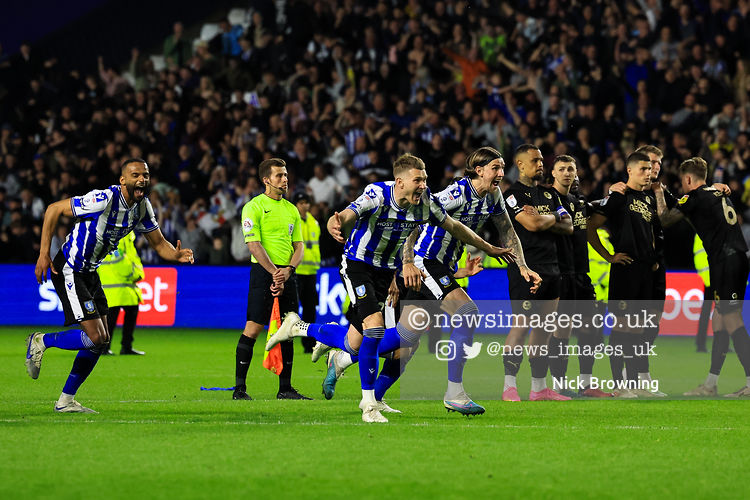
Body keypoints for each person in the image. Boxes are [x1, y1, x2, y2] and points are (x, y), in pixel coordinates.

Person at [266, 153, 514, 423]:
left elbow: (453, 226)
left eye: (425, 179)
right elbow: (350, 212)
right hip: (358, 264)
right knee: (374, 329)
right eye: (418, 180)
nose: (423, 185)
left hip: (386, 270)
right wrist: (335, 222)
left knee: (356, 343)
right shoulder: (377, 194)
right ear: (400, 182)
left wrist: (488, 248)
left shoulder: (425, 202)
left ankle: (300, 329)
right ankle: (369, 404)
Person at [26, 158, 194, 413]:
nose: (142, 179)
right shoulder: (104, 199)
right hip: (69, 268)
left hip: (90, 272)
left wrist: (177, 255)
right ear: (123, 180)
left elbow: (160, 244)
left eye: (146, 175)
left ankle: (65, 401)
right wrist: (43, 254)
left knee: (101, 342)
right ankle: (41, 341)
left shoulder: (142, 207)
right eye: (136, 175)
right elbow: (52, 209)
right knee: (96, 336)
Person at [655, 157, 750, 397]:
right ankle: (710, 384)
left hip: (726, 261)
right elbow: (687, 206)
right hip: (733, 259)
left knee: (732, 320)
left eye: (682, 181)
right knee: (719, 319)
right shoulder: (718, 193)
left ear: (688, 178)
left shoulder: (696, 197)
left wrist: (658, 192)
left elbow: (665, 219)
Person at [234, 158, 310, 401]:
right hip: (262, 274)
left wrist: (287, 270)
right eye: (279, 175)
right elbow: (253, 245)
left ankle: (285, 388)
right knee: (253, 328)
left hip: (287, 274)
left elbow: (299, 246)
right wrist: (273, 272)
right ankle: (239, 389)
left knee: (289, 329)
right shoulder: (253, 207)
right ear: (266, 180)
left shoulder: (291, 210)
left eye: (286, 175)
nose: (284, 179)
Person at [501, 144, 573, 402]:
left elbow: (569, 227)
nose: (540, 164)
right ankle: (509, 386)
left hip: (552, 268)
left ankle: (539, 388)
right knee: (520, 327)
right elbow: (531, 224)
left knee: (543, 329)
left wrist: (548, 217)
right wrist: (552, 219)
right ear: (520, 164)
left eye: (542, 160)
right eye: (535, 160)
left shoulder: (550, 195)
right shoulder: (513, 195)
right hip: (526, 269)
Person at [588, 151, 658, 398]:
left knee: (638, 329)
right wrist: (609, 256)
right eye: (642, 169)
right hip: (625, 270)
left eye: (649, 169)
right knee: (623, 327)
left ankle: (635, 383)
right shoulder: (618, 196)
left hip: (643, 271)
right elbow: (590, 226)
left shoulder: (648, 199)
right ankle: (619, 385)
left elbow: (647, 233)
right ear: (629, 171)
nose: (648, 173)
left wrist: (651, 258)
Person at [548, 158, 613, 397]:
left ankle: (586, 384)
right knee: (561, 330)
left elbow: (603, 207)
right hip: (561, 272)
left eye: (572, 170)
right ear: (553, 173)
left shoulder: (580, 204)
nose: (568, 174)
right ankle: (559, 385)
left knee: (591, 329)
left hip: (581, 273)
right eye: (562, 169)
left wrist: (615, 190)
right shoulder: (547, 201)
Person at [97, 232, 145, 355]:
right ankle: (119, 347)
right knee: (115, 318)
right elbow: (118, 259)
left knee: (120, 315)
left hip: (118, 285)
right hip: (119, 283)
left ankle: (117, 347)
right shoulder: (121, 236)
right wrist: (134, 274)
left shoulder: (120, 234)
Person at [292, 191, 321, 353]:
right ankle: (283, 339)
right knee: (291, 309)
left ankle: (308, 344)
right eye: (301, 202)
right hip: (296, 270)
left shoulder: (314, 222)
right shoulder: (292, 221)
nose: (305, 205)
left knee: (310, 309)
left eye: (306, 202)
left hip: (310, 272)